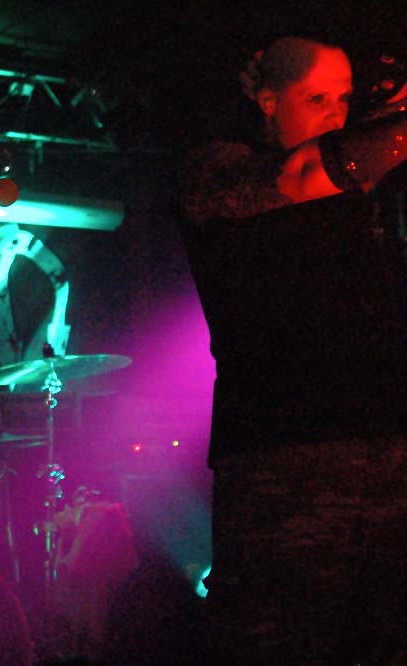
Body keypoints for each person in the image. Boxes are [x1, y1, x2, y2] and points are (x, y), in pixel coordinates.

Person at [178, 36, 407, 665]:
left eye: (344, 100)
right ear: (268, 101)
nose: (335, 115)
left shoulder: (359, 193)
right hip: (283, 459)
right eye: (316, 99)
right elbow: (300, 174)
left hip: (385, 447)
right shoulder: (217, 171)